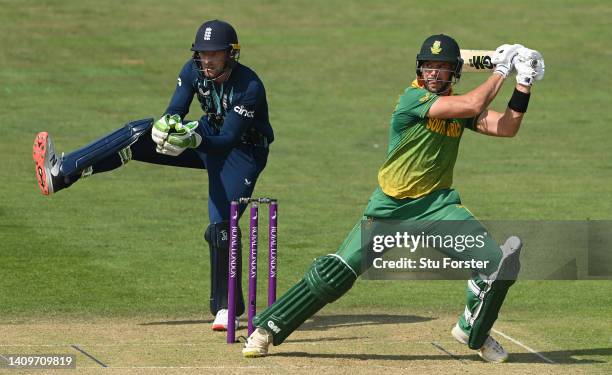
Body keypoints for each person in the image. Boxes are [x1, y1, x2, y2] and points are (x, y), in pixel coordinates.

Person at [241, 35, 544, 363]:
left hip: (437, 207)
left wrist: (524, 83)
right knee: (335, 275)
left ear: (454, 72)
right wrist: (502, 70)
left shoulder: (459, 108)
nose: (433, 74)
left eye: (442, 68)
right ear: (419, 68)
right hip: (391, 208)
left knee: (496, 264)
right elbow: (473, 105)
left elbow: (506, 127)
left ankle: (474, 331)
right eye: (429, 66)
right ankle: (266, 330)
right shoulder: (413, 99)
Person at [32, 19, 273, 331]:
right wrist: (168, 126)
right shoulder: (192, 70)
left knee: (221, 227)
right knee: (138, 135)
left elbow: (227, 140)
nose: (207, 60)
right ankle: (62, 173)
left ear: (231, 53)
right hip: (206, 134)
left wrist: (192, 140)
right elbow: (176, 107)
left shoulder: (249, 87)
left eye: (214, 53)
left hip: (243, 152)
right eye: (202, 53)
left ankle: (227, 308)